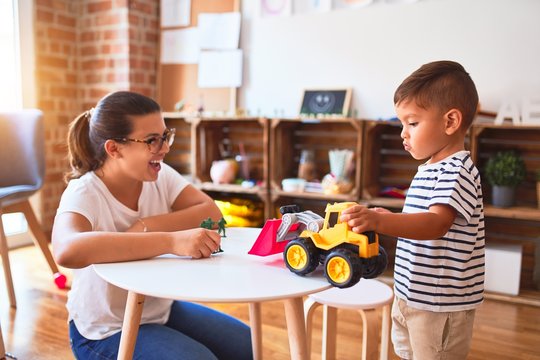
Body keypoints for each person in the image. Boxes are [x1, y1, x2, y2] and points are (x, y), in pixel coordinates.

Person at [52, 91, 253, 360]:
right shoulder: (85, 191)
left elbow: (212, 214)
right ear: (114, 149)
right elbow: (66, 250)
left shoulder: (160, 174)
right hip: (103, 330)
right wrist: (170, 240)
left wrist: (146, 225)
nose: (165, 148)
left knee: (248, 345)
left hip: (158, 308)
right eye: (151, 141)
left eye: (164, 136)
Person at [341, 61, 484, 360]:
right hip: (412, 293)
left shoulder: (456, 170)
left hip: (439, 304)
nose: (403, 134)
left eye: (413, 123)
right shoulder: (430, 168)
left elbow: (435, 224)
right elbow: (420, 219)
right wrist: (390, 217)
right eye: (402, 124)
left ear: (450, 122)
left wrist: (382, 220)